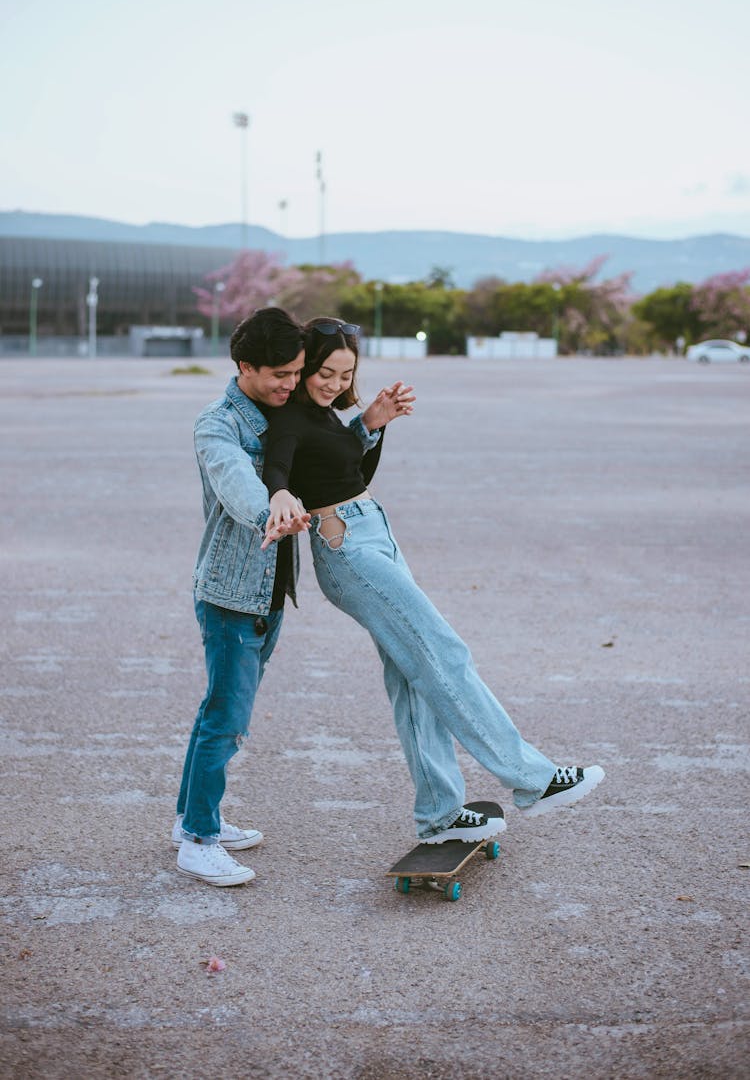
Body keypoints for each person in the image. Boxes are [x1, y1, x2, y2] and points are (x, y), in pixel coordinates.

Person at [261, 317, 605, 844]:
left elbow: (350, 474)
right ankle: (532, 779)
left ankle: (440, 815)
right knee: (444, 652)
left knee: (413, 680)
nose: (333, 382)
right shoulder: (290, 419)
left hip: (373, 535)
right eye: (324, 371)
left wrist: (373, 424)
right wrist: (279, 493)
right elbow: (279, 469)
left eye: (344, 373)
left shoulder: (329, 416)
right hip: (346, 549)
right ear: (305, 363)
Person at [173, 307, 381, 887]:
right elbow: (235, 478)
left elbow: (328, 458)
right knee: (226, 719)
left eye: (297, 373)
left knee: (218, 712)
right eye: (279, 376)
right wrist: (273, 505)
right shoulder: (219, 424)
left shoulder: (282, 411)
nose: (292, 385)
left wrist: (368, 425)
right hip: (231, 594)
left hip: (268, 591)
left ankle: (193, 816)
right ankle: (197, 839)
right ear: (244, 366)